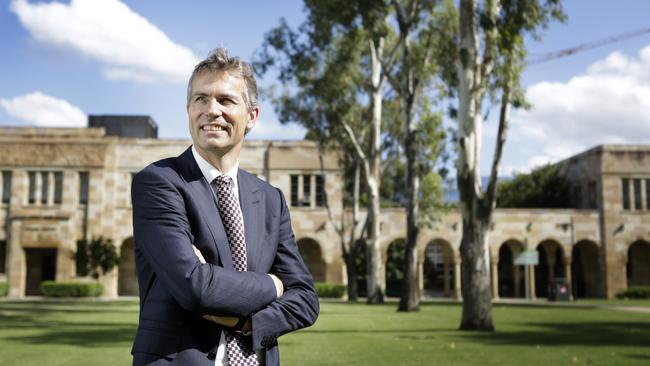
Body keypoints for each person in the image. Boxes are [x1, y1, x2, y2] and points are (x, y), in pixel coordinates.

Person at [130, 47, 319, 366]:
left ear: (252, 116)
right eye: (200, 99)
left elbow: (305, 300)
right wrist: (273, 284)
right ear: (188, 110)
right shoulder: (160, 183)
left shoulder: (270, 199)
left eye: (226, 100)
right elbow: (194, 287)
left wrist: (249, 324)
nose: (211, 110)